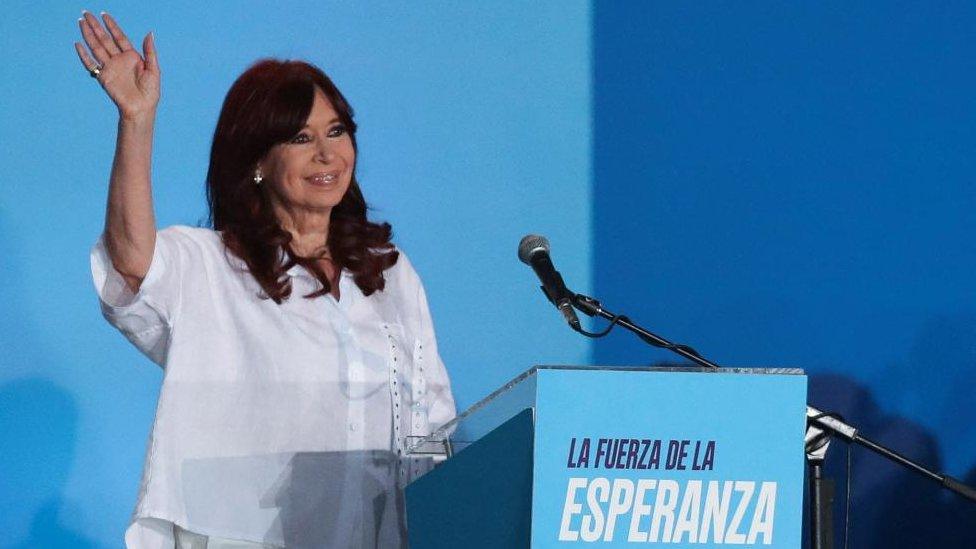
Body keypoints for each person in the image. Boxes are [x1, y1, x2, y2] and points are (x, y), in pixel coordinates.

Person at [74, 11, 456, 549]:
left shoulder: (388, 271)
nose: (328, 154)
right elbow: (134, 261)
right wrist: (137, 120)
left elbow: (433, 422)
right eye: (301, 138)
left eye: (336, 131)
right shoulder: (209, 266)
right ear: (257, 161)